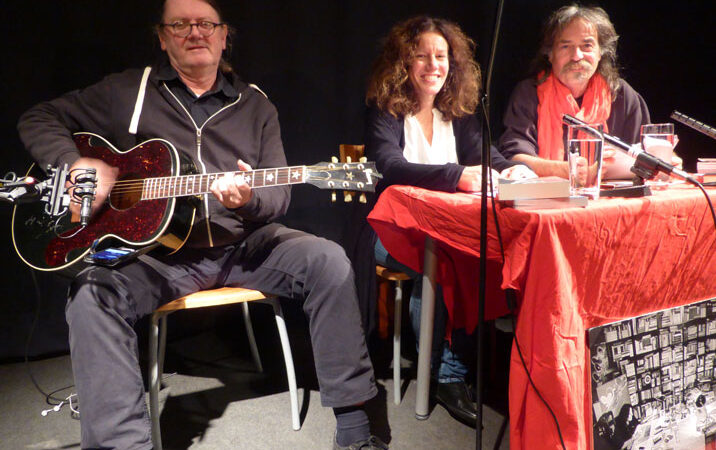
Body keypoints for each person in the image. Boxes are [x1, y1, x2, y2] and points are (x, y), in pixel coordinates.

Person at [17, 1, 387, 449]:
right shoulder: (126, 92)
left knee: (328, 260)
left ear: (224, 34)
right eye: (181, 24)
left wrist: (249, 197)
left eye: (206, 24)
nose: (195, 32)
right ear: (162, 36)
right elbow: (38, 118)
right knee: (92, 295)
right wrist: (76, 165)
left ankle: (355, 426)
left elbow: (278, 196)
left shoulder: (256, 105)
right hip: (157, 257)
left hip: (244, 246)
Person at [359, 16, 534, 427]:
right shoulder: (385, 110)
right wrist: (455, 175)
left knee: (469, 254)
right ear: (403, 63)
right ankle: (446, 375)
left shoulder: (459, 112)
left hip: (448, 232)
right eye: (421, 56)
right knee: (439, 263)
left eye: (440, 56)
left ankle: (447, 369)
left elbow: (488, 159)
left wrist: (513, 173)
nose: (432, 65)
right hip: (392, 231)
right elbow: (390, 166)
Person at [498, 4, 652, 178]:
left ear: (600, 52)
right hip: (548, 199)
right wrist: (569, 171)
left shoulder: (621, 93)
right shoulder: (529, 93)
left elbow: (646, 155)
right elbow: (514, 157)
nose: (576, 56)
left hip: (611, 200)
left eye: (586, 46)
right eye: (566, 46)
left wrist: (665, 160)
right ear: (550, 53)